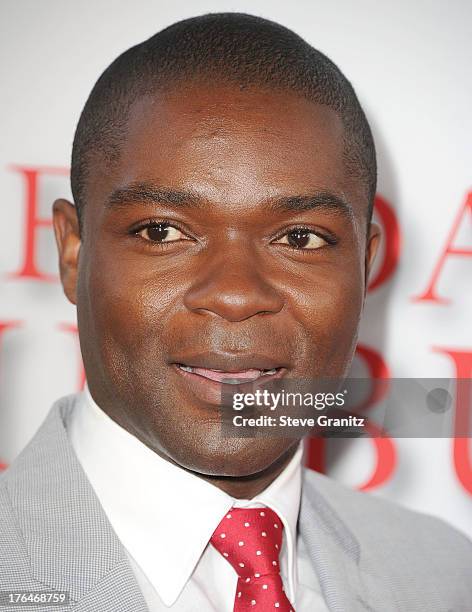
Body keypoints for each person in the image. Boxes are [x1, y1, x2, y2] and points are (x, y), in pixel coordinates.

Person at [0, 12, 470, 612]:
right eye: (162, 231)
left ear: (365, 265)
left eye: (301, 238)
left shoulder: (446, 575)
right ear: (73, 253)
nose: (236, 294)